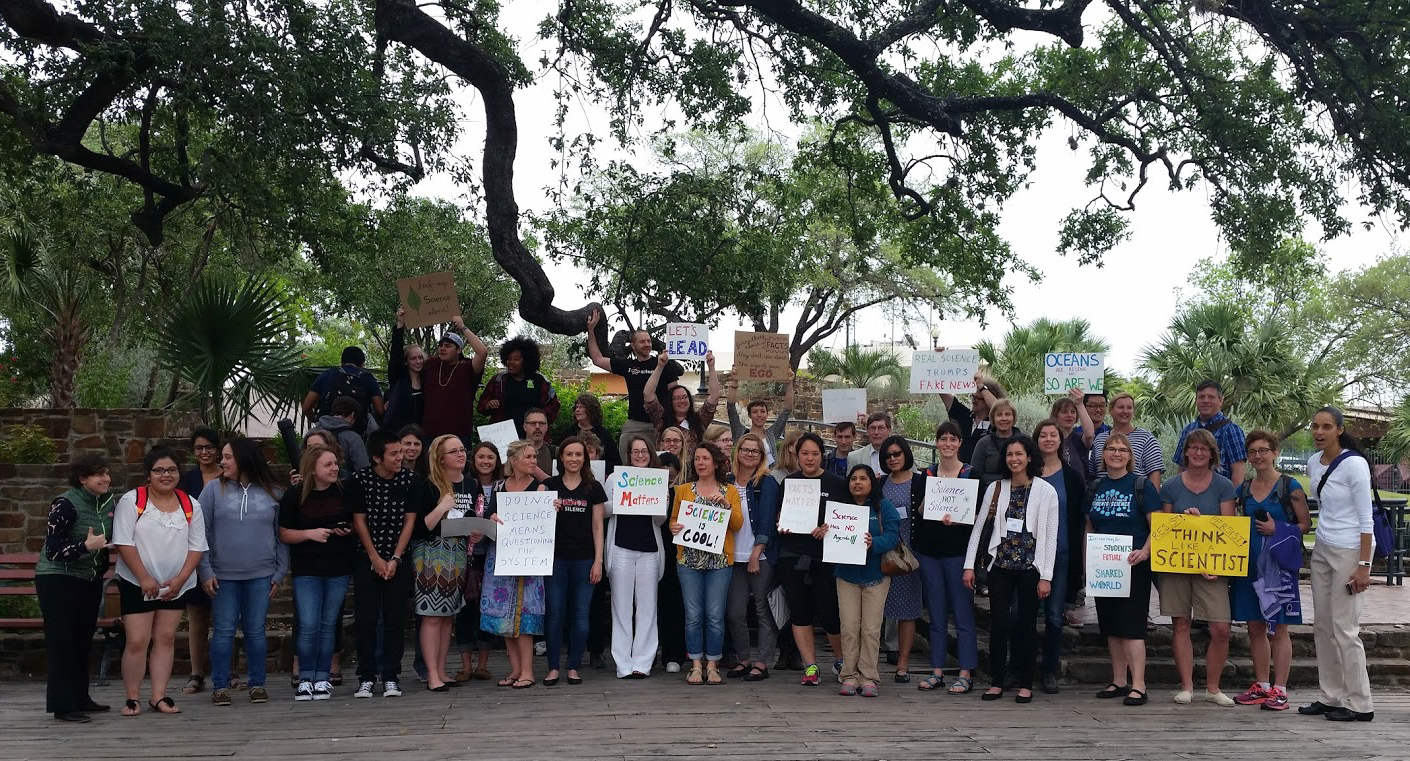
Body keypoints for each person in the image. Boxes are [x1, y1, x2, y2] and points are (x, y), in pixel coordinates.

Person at [113, 446, 209, 716]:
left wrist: (180, 579)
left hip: (175, 584)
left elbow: (197, 546)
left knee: (165, 638)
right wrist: (144, 577)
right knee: (137, 640)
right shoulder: (132, 501)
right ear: (148, 474)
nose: (166, 475)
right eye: (159, 470)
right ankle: (132, 698)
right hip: (137, 581)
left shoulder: (191, 504)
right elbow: (123, 541)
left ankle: (159, 696)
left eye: (172, 470)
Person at [964, 435, 1059, 703]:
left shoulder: (1046, 491)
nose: (1014, 459)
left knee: (1027, 626)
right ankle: (996, 681)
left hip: (1031, 567)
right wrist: (969, 565)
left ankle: (1026, 684)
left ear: (1030, 457)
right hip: (1001, 565)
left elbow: (1051, 536)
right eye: (1009, 455)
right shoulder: (996, 487)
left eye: (1019, 454)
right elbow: (979, 528)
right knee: (999, 625)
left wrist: (1046, 576)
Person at [196, 437, 286, 707]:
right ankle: (220, 686)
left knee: (256, 631)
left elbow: (281, 536)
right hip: (222, 576)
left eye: (227, 457)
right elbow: (199, 533)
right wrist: (205, 570)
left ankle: (257, 684)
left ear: (244, 459)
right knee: (223, 631)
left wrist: (280, 572)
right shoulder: (212, 490)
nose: (221, 461)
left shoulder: (274, 492)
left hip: (261, 575)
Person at [1299, 407, 1375, 722]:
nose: (1319, 432)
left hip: (1349, 551)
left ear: (1339, 430)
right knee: (1323, 625)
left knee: (1346, 628)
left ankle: (1360, 704)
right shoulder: (1314, 463)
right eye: (1315, 426)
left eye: (1326, 427)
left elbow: (1366, 518)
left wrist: (1363, 566)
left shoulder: (1355, 464)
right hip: (1323, 547)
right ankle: (1331, 696)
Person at [1230, 429, 1310, 711]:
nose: (1258, 456)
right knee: (1254, 626)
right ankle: (1262, 685)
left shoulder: (1290, 487)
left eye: (1264, 450)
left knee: (1279, 629)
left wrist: (1279, 529)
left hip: (1279, 567)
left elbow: (1305, 525)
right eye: (1253, 451)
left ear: (1275, 452)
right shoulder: (1244, 488)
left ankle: (1281, 689)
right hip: (1250, 567)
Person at [1158, 427, 1238, 705]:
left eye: (1204, 448)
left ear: (1212, 453)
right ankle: (1187, 686)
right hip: (1177, 565)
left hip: (1212, 566)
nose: (1198, 452)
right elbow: (1167, 529)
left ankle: (1213, 688)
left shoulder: (1224, 485)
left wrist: (1202, 523)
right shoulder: (1169, 486)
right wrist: (1186, 521)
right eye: (1193, 447)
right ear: (1186, 452)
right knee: (1180, 623)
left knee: (1221, 628)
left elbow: (1227, 530)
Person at [37, 453, 115, 722]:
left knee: (82, 641)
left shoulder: (106, 503)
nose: (105, 478)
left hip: (88, 580)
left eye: (106, 473)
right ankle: (63, 705)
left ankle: (81, 698)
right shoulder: (65, 504)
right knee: (63, 642)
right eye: (98, 474)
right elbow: (54, 550)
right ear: (82, 479)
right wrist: (85, 547)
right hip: (58, 580)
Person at [1086, 432, 1161, 706]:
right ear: (1103, 455)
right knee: (1111, 626)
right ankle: (1119, 680)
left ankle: (1139, 684)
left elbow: (1157, 527)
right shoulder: (1095, 486)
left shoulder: (1141, 486)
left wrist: (1144, 552)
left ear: (1130, 456)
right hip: (1104, 566)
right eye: (1111, 449)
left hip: (1134, 565)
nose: (1116, 454)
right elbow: (1089, 525)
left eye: (1122, 450)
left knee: (1132, 627)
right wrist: (1087, 559)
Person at [278, 445, 355, 701]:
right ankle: (305, 677)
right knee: (309, 624)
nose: (334, 468)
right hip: (307, 568)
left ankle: (322, 677)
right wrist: (310, 534)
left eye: (335, 463)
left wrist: (347, 530)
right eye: (328, 464)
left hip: (338, 567)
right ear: (313, 468)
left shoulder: (344, 492)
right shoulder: (295, 494)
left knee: (328, 624)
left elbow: (356, 523)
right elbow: (284, 532)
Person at [348, 429, 420, 698]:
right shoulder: (359, 480)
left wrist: (396, 558)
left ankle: (391, 675)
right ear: (377, 458)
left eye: (401, 451)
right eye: (394, 453)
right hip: (367, 556)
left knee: (394, 619)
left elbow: (410, 521)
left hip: (398, 557)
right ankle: (366, 676)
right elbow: (359, 521)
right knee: (366, 619)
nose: (400, 457)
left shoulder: (411, 480)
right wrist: (375, 558)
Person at [669, 441, 744, 685]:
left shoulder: (729, 491)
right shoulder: (683, 490)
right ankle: (696, 664)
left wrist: (725, 505)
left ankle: (713, 664)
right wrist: (674, 527)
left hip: (720, 560)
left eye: (705, 458)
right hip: (688, 560)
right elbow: (673, 522)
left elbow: (737, 524)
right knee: (693, 615)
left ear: (715, 463)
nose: (700, 463)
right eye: (697, 459)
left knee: (714, 614)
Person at [913, 422, 978, 694]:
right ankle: (937, 670)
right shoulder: (926, 475)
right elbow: (918, 510)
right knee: (936, 615)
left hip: (959, 554)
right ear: (937, 443)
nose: (948, 443)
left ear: (960, 442)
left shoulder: (971, 475)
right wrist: (927, 507)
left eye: (953, 439)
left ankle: (965, 671)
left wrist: (960, 519)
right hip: (929, 553)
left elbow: (977, 516)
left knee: (963, 615)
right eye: (943, 439)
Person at [777, 433, 847, 686]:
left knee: (830, 613)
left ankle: (841, 661)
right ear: (797, 454)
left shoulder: (837, 484)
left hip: (825, 557)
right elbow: (780, 514)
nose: (809, 458)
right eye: (804, 453)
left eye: (814, 453)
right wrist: (781, 524)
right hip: (792, 555)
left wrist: (830, 526)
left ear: (822, 455)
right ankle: (810, 666)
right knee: (800, 612)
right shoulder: (789, 482)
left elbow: (847, 519)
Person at [482, 440, 548, 688]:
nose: (534, 461)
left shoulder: (540, 487)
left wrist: (550, 506)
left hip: (528, 558)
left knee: (525, 617)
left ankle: (528, 671)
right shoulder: (500, 486)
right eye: (529, 457)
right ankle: (515, 669)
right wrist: (492, 517)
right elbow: (489, 516)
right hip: (501, 557)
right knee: (504, 617)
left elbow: (545, 524)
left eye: (535, 456)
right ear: (514, 460)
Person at [411, 435, 474, 692]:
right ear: (440, 458)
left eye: (462, 450)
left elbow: (471, 517)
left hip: (458, 552)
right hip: (431, 554)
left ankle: (441, 670)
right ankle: (431, 674)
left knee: (448, 616)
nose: (460, 454)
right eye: (453, 451)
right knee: (431, 616)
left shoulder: (470, 484)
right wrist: (442, 507)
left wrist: (477, 529)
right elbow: (419, 527)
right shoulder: (427, 486)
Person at [541, 437, 607, 685]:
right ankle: (553, 667)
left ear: (585, 459)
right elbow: (536, 519)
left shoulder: (593, 487)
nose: (574, 459)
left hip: (584, 559)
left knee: (581, 615)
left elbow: (598, 526)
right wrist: (547, 507)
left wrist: (598, 561)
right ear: (561, 458)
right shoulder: (548, 486)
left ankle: (574, 666)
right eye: (569, 454)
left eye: (579, 454)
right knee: (555, 614)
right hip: (555, 560)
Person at [834, 464, 901, 697]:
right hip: (847, 576)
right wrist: (823, 532)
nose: (858, 482)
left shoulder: (884, 507)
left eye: (863, 478)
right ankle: (849, 676)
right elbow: (829, 537)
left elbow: (893, 536)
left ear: (872, 483)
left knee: (871, 629)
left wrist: (875, 544)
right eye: (854, 478)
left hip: (876, 576)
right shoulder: (838, 509)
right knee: (850, 628)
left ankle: (869, 676)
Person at [1033, 419, 1088, 693]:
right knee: (1023, 614)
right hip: (1027, 557)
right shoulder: (1026, 474)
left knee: (1054, 616)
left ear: (1060, 440)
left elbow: (1079, 519)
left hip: (1061, 554)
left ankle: (1049, 671)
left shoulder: (1071, 477)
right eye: (1043, 435)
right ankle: (1019, 669)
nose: (1048, 439)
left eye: (1053, 435)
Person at [605, 436, 668, 679]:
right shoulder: (615, 478)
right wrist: (621, 499)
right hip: (621, 548)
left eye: (644, 451)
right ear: (628, 455)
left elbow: (661, 520)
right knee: (621, 607)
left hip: (649, 551)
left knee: (647, 608)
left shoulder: (657, 479)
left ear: (650, 453)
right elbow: (604, 511)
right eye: (635, 452)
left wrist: (657, 502)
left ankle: (643, 662)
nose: (640, 455)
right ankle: (623, 664)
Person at [586, 308, 684, 454]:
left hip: (659, 424)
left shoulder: (664, 363)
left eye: (649, 341)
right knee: (626, 459)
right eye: (642, 341)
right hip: (634, 424)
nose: (647, 344)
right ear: (633, 345)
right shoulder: (628, 365)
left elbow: (674, 395)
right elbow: (597, 359)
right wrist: (591, 331)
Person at [724, 432, 778, 681]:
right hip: (732, 557)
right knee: (735, 611)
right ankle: (743, 658)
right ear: (737, 452)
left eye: (754, 451)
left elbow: (766, 523)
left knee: (762, 609)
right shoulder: (726, 482)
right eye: (744, 450)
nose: (749, 454)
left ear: (761, 456)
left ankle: (763, 662)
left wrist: (756, 554)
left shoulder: (767, 483)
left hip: (760, 556)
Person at [176, 427, 221, 697]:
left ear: (217, 449)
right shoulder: (187, 480)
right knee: (197, 616)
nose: (204, 452)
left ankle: (228, 671)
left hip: (224, 554)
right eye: (198, 448)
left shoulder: (229, 476)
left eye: (208, 447)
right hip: (193, 553)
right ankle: (196, 673)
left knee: (225, 617)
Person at [876, 435, 922, 683]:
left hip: (908, 558)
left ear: (906, 454)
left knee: (906, 611)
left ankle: (902, 664)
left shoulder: (921, 482)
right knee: (875, 608)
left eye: (897, 454)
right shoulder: (880, 484)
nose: (892, 458)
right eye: (888, 455)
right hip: (882, 554)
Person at [455, 441, 500, 683]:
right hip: (466, 555)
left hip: (492, 556)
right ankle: (464, 666)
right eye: (481, 456)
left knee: (486, 610)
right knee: (464, 611)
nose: (485, 461)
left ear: (497, 461)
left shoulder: (504, 486)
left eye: (490, 457)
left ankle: (483, 665)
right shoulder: (465, 485)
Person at [420, 315, 489, 442]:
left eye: (447, 346)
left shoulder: (468, 367)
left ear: (458, 350)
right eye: (440, 345)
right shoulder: (431, 364)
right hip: (430, 434)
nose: (442, 348)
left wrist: (462, 327)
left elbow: (482, 352)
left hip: (458, 435)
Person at [479, 336, 562, 437]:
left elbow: (554, 406)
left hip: (532, 437)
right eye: (509, 359)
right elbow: (482, 405)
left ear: (527, 361)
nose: (511, 362)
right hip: (503, 437)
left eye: (516, 359)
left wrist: (537, 419)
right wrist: (488, 404)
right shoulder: (499, 380)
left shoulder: (541, 381)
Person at [1174, 380, 1247, 484]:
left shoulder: (1231, 431)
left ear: (1221, 400)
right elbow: (1181, 467)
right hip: (1188, 496)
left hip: (1219, 497)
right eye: (1201, 397)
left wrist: (1233, 499)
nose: (1206, 401)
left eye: (1211, 397)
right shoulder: (1188, 430)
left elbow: (1238, 472)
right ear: (1196, 400)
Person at [302, 346, 385, 435]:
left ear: (342, 362)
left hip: (326, 433)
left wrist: (317, 420)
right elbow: (380, 410)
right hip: (356, 433)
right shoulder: (367, 378)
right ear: (362, 364)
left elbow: (306, 407)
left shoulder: (327, 375)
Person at [1088, 392, 1164, 486]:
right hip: (1104, 496)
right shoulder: (1099, 439)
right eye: (1121, 407)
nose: (1125, 411)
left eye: (1129, 408)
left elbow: (1155, 474)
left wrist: (1152, 498)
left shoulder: (1147, 439)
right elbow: (1092, 473)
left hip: (1134, 497)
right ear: (1110, 410)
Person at [645, 349, 719, 440]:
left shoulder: (699, 420)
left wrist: (711, 367)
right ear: (670, 401)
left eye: (685, 397)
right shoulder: (661, 419)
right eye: (677, 398)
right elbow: (648, 395)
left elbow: (714, 397)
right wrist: (660, 366)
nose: (682, 401)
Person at [725, 371, 794, 466]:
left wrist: (789, 384)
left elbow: (787, 410)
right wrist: (734, 382)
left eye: (762, 411)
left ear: (767, 414)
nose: (759, 415)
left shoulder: (772, 434)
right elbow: (731, 408)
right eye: (754, 412)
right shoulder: (740, 433)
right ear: (749, 415)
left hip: (768, 478)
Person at [939, 372, 1005, 464]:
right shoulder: (965, 415)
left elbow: (1000, 409)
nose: (973, 401)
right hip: (962, 473)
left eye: (977, 398)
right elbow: (943, 392)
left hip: (984, 474)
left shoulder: (996, 423)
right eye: (972, 397)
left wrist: (981, 386)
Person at [384, 306, 427, 433]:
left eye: (420, 358)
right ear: (406, 362)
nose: (418, 361)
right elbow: (396, 353)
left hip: (421, 433)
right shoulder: (398, 378)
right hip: (398, 432)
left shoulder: (427, 380)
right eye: (413, 359)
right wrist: (400, 324)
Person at [969, 398, 1022, 495]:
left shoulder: (1024, 442)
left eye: (1008, 414)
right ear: (993, 418)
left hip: (1019, 493)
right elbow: (975, 476)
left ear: (1014, 417)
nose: (1004, 418)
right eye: (999, 415)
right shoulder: (983, 443)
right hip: (989, 496)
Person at [557, 391, 621, 468]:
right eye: (576, 407)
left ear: (591, 410)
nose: (577, 410)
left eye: (581, 407)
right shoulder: (568, 432)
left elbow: (615, 461)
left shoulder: (603, 434)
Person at [314, 396, 371, 471]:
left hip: (313, 479)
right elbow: (363, 467)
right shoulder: (353, 438)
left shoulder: (312, 432)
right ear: (352, 415)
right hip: (342, 480)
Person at [1050, 389, 1099, 475]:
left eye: (1073, 412)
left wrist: (1079, 404)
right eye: (1064, 412)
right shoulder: (1049, 440)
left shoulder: (1078, 439)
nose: (1069, 415)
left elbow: (1090, 434)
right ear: (1055, 416)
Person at [524, 407, 558, 480]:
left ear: (546, 427)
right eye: (533, 423)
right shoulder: (513, 452)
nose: (537, 427)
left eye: (541, 423)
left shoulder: (556, 452)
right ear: (524, 427)